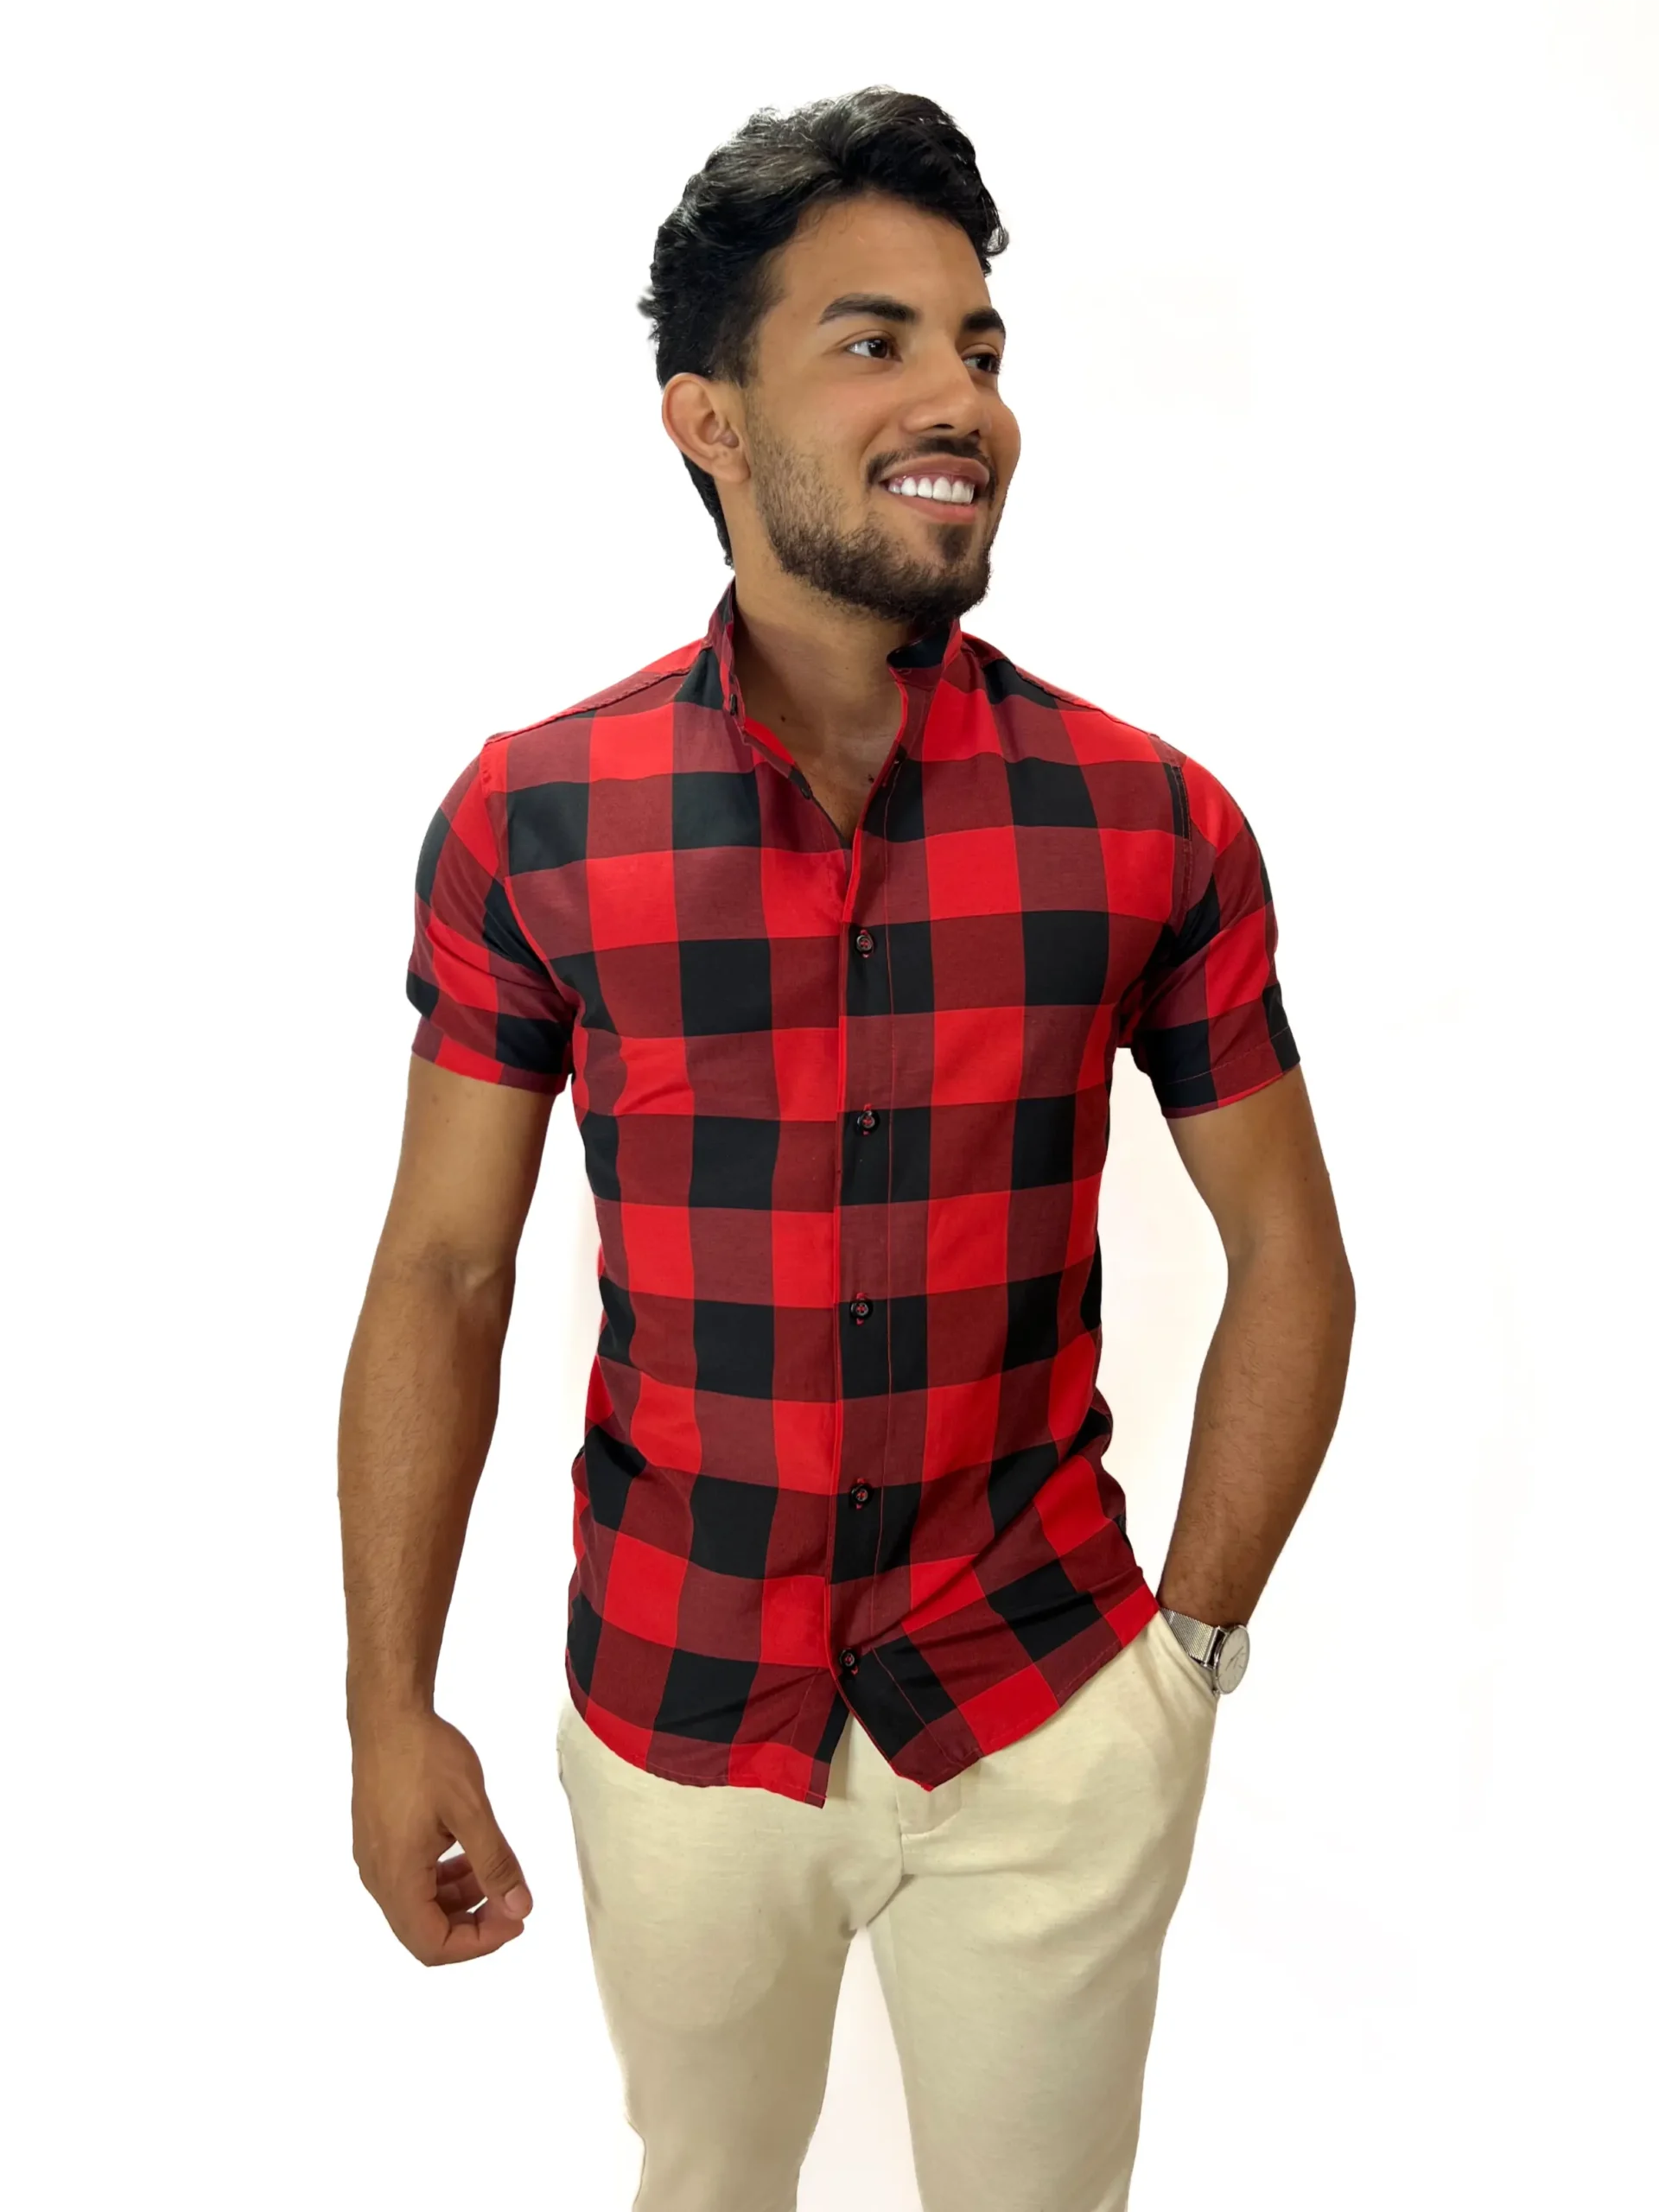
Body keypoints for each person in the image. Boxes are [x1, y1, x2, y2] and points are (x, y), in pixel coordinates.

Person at [338, 85, 1356, 2212]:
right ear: (707, 420)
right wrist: (386, 1704)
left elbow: (1291, 1247)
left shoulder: (1153, 819)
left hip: (1048, 1697)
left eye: (978, 344)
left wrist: (1190, 1656)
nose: (960, 397)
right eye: (874, 341)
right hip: (679, 1714)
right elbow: (443, 1266)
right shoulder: (533, 818)